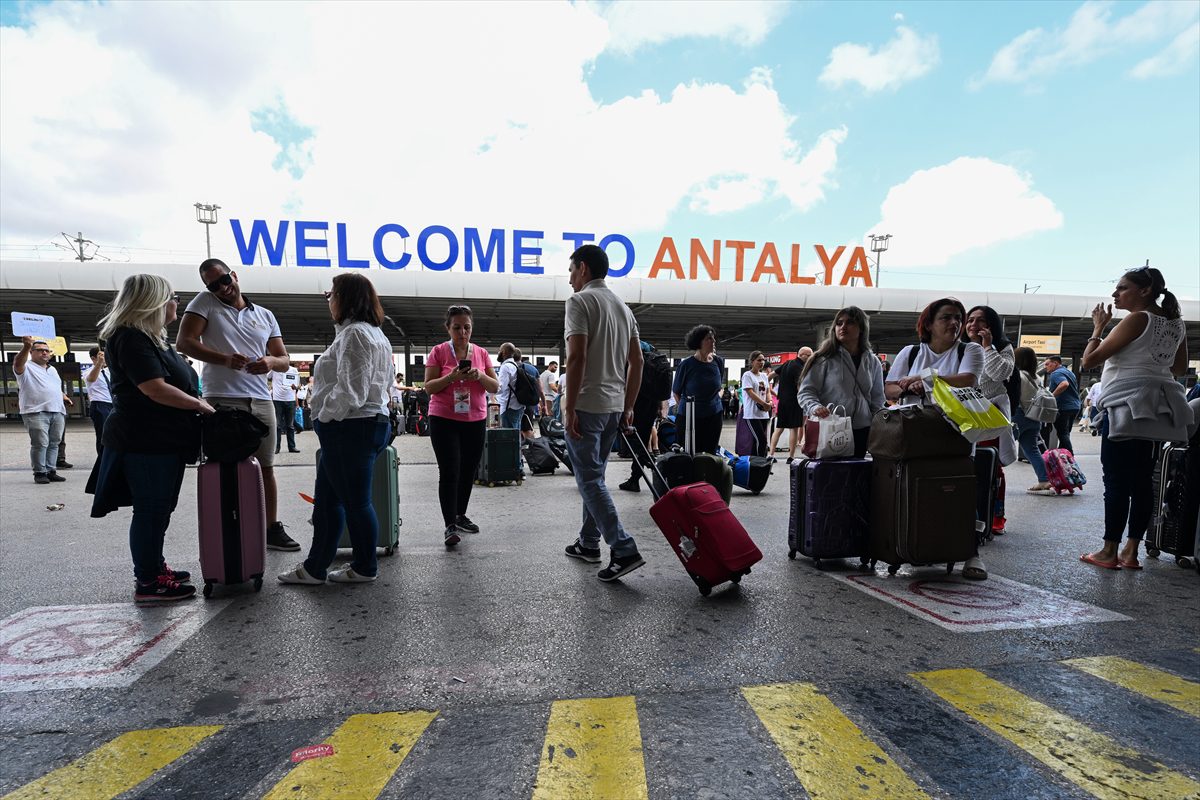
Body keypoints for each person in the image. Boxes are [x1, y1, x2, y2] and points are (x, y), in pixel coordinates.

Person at [87, 274, 214, 603]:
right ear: (154, 301)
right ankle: (147, 580)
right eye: (174, 297)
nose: (177, 304)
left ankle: (154, 567)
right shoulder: (130, 338)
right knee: (151, 509)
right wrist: (199, 404)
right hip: (144, 439)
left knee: (160, 508)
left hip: (163, 439)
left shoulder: (151, 338)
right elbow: (153, 388)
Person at [278, 274, 394, 586]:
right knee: (329, 501)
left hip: (350, 427)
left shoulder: (355, 335)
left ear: (346, 298)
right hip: (365, 424)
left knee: (354, 502)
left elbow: (351, 392)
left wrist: (322, 415)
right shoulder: (374, 334)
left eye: (331, 294)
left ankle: (365, 567)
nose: (328, 299)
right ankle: (315, 568)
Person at [177, 258, 299, 552]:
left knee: (266, 466)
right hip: (223, 398)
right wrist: (225, 359)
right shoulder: (205, 302)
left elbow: (284, 360)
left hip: (260, 398)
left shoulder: (265, 315)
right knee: (224, 467)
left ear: (233, 275)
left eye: (223, 280)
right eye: (213, 285)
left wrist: (269, 361)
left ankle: (270, 527)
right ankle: (229, 527)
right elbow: (184, 342)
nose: (221, 288)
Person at [1079, 266, 1189, 571]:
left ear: (1145, 290)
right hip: (1155, 410)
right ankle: (1131, 551)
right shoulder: (1175, 324)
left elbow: (1089, 361)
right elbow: (1179, 369)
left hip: (1124, 405)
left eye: (1122, 287)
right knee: (1142, 481)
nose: (1115, 294)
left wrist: (1098, 329)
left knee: (1116, 479)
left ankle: (1108, 550)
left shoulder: (1137, 318)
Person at [885, 297, 988, 581]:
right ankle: (918, 544)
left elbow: (967, 379)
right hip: (914, 430)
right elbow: (891, 389)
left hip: (956, 429)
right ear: (928, 323)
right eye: (946, 317)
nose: (954, 323)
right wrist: (913, 385)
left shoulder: (971, 350)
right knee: (918, 487)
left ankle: (971, 552)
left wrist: (922, 379)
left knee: (960, 489)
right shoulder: (910, 352)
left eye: (958, 318)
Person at [561, 244, 645, 582]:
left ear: (582, 269)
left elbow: (576, 357)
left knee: (590, 480)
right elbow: (636, 362)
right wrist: (629, 406)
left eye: (570, 272)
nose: (569, 280)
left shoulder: (579, 302)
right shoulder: (624, 308)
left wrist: (569, 407)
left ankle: (623, 548)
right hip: (613, 408)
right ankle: (589, 542)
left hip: (586, 405)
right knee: (594, 478)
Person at [421, 304, 499, 547]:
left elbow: (495, 387)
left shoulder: (482, 354)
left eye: (467, 327)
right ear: (448, 328)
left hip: (474, 419)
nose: (463, 332)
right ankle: (449, 525)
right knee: (450, 470)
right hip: (444, 419)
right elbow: (429, 387)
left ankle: (460, 514)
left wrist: (480, 376)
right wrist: (451, 377)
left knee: (469, 470)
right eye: (457, 328)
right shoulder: (438, 352)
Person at [797, 306, 885, 458]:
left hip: (862, 431)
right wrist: (815, 406)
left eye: (850, 322)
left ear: (862, 328)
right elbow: (806, 391)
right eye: (839, 323)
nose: (843, 327)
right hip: (830, 427)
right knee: (829, 479)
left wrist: (876, 424)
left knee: (856, 478)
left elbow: (877, 398)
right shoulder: (823, 359)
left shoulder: (873, 362)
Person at [964, 305, 1017, 533]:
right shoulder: (961, 348)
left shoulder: (1003, 348)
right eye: (970, 320)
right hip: (962, 414)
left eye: (980, 321)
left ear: (991, 325)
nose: (973, 325)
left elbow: (1000, 374)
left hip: (989, 415)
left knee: (991, 466)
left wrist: (987, 346)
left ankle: (995, 517)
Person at [14, 336, 73, 484]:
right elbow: (17, 363)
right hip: (35, 411)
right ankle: (40, 472)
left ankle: (50, 470)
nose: (44, 353)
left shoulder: (52, 370)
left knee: (54, 442)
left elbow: (53, 387)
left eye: (47, 350)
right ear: (32, 352)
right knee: (40, 443)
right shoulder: (26, 367)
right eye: (40, 350)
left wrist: (63, 396)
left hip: (57, 410)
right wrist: (26, 346)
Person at [619, 340, 671, 493]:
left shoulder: (627, 347)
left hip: (635, 401)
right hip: (652, 402)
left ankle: (649, 460)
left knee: (628, 435)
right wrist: (661, 405)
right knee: (642, 436)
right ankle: (634, 479)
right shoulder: (652, 352)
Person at [670, 325, 725, 456]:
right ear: (699, 342)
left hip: (714, 415)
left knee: (710, 452)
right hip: (689, 417)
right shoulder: (687, 364)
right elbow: (676, 392)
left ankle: (707, 476)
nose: (713, 341)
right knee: (689, 453)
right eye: (709, 339)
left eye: (713, 339)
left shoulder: (718, 362)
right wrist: (686, 410)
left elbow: (718, 387)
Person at [1011, 347, 1053, 492]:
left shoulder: (1018, 375)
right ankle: (1044, 480)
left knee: (1001, 447)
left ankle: (990, 477)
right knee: (1032, 450)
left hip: (1018, 415)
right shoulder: (1037, 377)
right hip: (1034, 417)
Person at [771, 346, 812, 463]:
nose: (810, 357)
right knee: (793, 429)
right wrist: (806, 400)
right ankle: (791, 457)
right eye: (809, 355)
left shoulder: (787, 363)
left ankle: (771, 454)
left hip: (782, 401)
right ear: (802, 354)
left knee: (779, 428)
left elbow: (771, 375)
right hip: (794, 401)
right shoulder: (800, 367)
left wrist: (769, 391)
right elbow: (800, 387)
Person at [1042, 355, 1081, 454]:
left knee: (1062, 433)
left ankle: (1070, 456)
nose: (1045, 367)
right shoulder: (1069, 372)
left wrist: (1051, 396)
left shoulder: (1056, 373)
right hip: (1075, 406)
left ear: (1055, 363)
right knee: (1066, 433)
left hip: (1064, 407)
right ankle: (1062, 456)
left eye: (1047, 364)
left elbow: (1064, 384)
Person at [740, 351, 773, 457]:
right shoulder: (747, 375)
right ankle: (761, 463)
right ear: (752, 361)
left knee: (758, 441)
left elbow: (767, 391)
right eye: (759, 360)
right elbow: (750, 392)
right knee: (762, 440)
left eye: (763, 360)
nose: (762, 362)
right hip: (752, 413)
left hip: (763, 413)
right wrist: (764, 403)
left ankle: (755, 464)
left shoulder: (764, 376)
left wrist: (770, 402)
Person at [85, 345, 113, 455]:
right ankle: (102, 459)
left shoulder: (109, 371)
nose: (105, 359)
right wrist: (99, 364)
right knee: (103, 434)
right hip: (100, 404)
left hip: (112, 404)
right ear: (93, 358)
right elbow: (91, 379)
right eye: (102, 356)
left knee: (114, 433)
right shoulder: (89, 371)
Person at [495, 342, 528, 431]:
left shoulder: (505, 367)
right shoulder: (515, 366)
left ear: (504, 352)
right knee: (515, 435)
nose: (499, 353)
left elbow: (500, 388)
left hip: (509, 407)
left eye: (500, 351)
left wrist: (488, 387)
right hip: (518, 405)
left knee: (509, 438)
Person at [271, 363, 301, 454]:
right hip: (277, 400)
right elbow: (266, 375)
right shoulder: (274, 369)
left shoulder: (294, 370)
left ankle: (292, 447)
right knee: (277, 425)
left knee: (290, 425)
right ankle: (276, 447)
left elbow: (298, 385)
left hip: (290, 400)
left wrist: (295, 387)